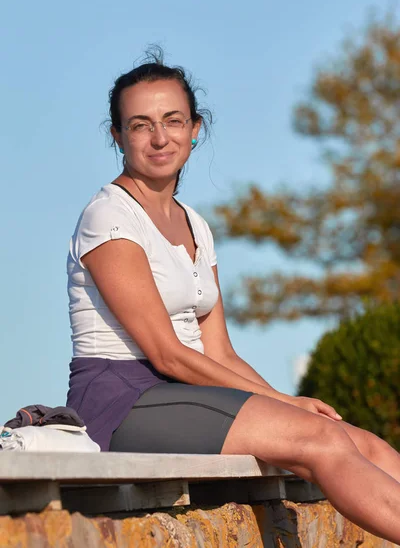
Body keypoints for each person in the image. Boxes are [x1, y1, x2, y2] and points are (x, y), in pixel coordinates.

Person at [66, 49, 400, 543]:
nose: (160, 137)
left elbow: (218, 350)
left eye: (173, 120)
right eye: (140, 125)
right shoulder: (109, 217)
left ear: (195, 128)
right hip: (123, 399)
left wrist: (287, 402)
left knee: (364, 443)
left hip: (185, 390)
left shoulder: (195, 225)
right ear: (117, 136)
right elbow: (167, 354)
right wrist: (283, 402)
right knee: (321, 438)